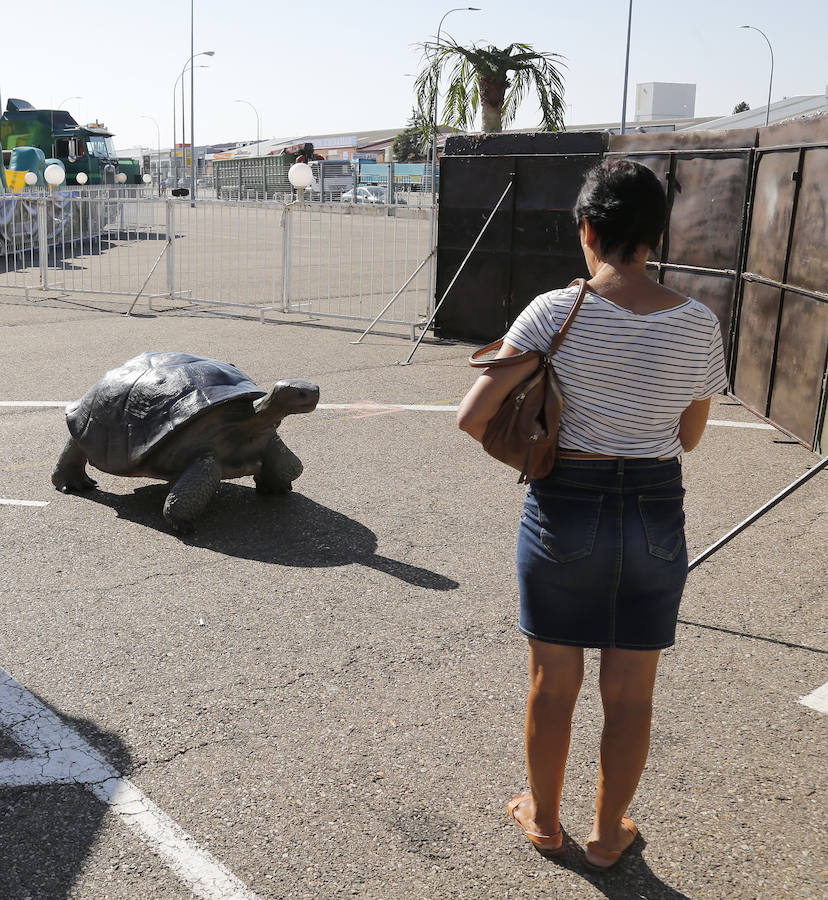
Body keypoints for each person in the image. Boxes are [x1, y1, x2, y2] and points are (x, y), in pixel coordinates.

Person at [456, 159, 728, 870]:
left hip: (565, 506)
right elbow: (689, 437)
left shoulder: (554, 311)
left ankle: (544, 821)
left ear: (587, 230)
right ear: (654, 235)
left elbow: (471, 416)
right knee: (631, 692)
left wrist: (542, 434)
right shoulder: (699, 324)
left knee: (553, 680)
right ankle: (610, 836)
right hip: (655, 509)